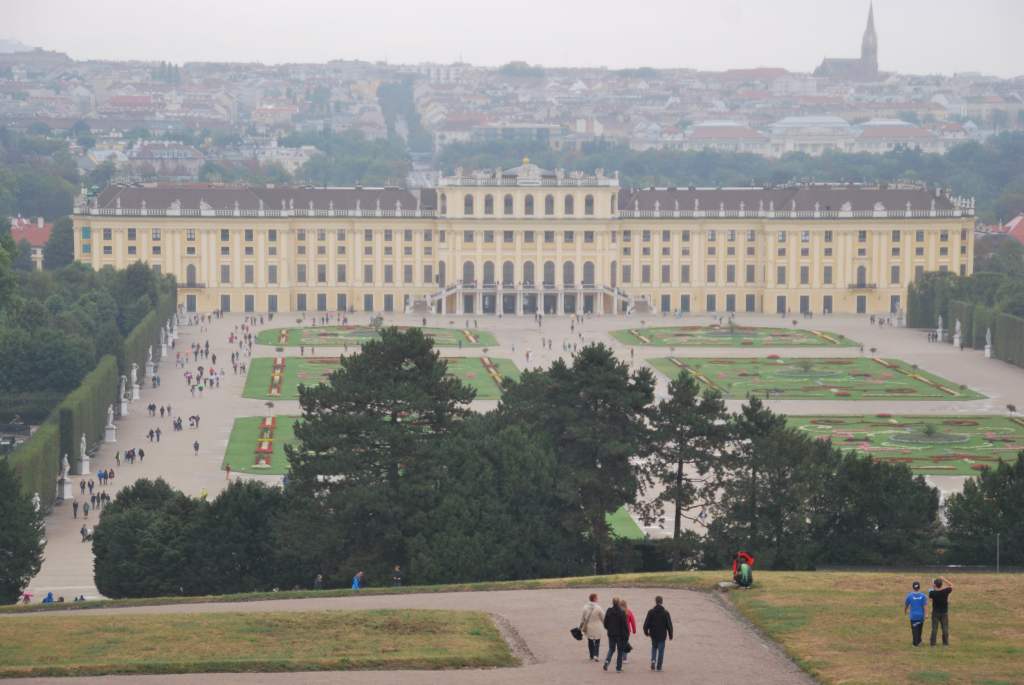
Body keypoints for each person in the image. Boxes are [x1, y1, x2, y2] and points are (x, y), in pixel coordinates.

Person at [643, 595, 674, 671]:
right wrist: (670, 635)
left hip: (653, 634)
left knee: (654, 647)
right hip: (662, 635)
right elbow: (669, 625)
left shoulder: (651, 612)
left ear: (655, 602)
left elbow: (646, 624)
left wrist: (646, 632)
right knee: (661, 650)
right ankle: (659, 667)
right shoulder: (666, 613)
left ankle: (653, 660)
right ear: (662, 602)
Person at [603, 596, 629, 672]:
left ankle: (607, 662)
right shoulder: (622, 612)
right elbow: (625, 625)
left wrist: (608, 628)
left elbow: (605, 623)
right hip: (620, 635)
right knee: (620, 651)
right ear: (618, 603)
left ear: (613, 602)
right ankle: (618, 668)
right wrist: (627, 634)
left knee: (611, 649)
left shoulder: (609, 610)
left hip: (611, 633)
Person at [929, 577, 954, 646]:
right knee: (945, 628)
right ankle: (945, 643)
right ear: (941, 584)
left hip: (935, 613)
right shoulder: (945, 591)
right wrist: (944, 579)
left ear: (935, 585)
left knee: (934, 628)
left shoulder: (932, 593)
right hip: (944, 613)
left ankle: (933, 643)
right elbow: (951, 585)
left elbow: (932, 594)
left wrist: (933, 585)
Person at [580, 593, 605, 662]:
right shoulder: (598, 608)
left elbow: (582, 619)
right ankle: (596, 655)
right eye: (597, 598)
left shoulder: (585, 607)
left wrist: (581, 626)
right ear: (594, 599)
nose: (597, 599)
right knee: (597, 641)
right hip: (597, 627)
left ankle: (591, 655)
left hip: (588, 627)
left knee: (590, 641)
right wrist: (606, 625)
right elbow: (603, 618)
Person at [904, 581, 928, 647]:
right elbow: (925, 606)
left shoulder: (909, 595)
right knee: (920, 629)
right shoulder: (923, 596)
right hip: (921, 616)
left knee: (914, 630)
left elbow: (906, 605)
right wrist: (926, 614)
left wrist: (905, 611)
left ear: (913, 587)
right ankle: (919, 641)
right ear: (919, 587)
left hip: (913, 616)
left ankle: (915, 644)